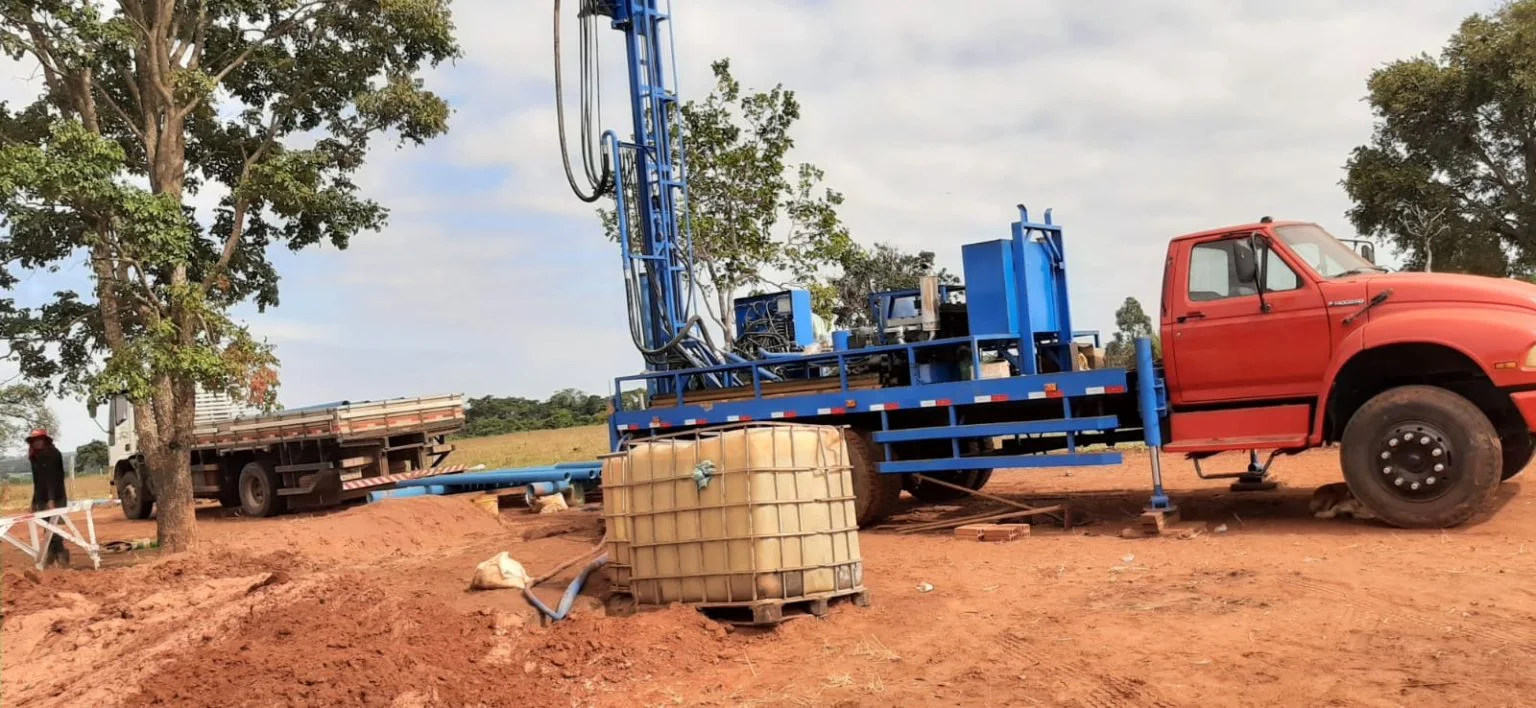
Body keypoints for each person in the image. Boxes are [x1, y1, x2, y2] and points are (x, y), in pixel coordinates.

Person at [26, 428, 70, 568]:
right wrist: (33, 501)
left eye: (39, 440)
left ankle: (59, 555)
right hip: (41, 496)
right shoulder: (35, 457)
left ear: (45, 441)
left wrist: (51, 500)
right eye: (34, 441)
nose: (37, 443)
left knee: (53, 527)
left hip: (56, 495)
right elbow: (37, 480)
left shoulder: (53, 454)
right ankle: (55, 554)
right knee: (47, 528)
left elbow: (53, 478)